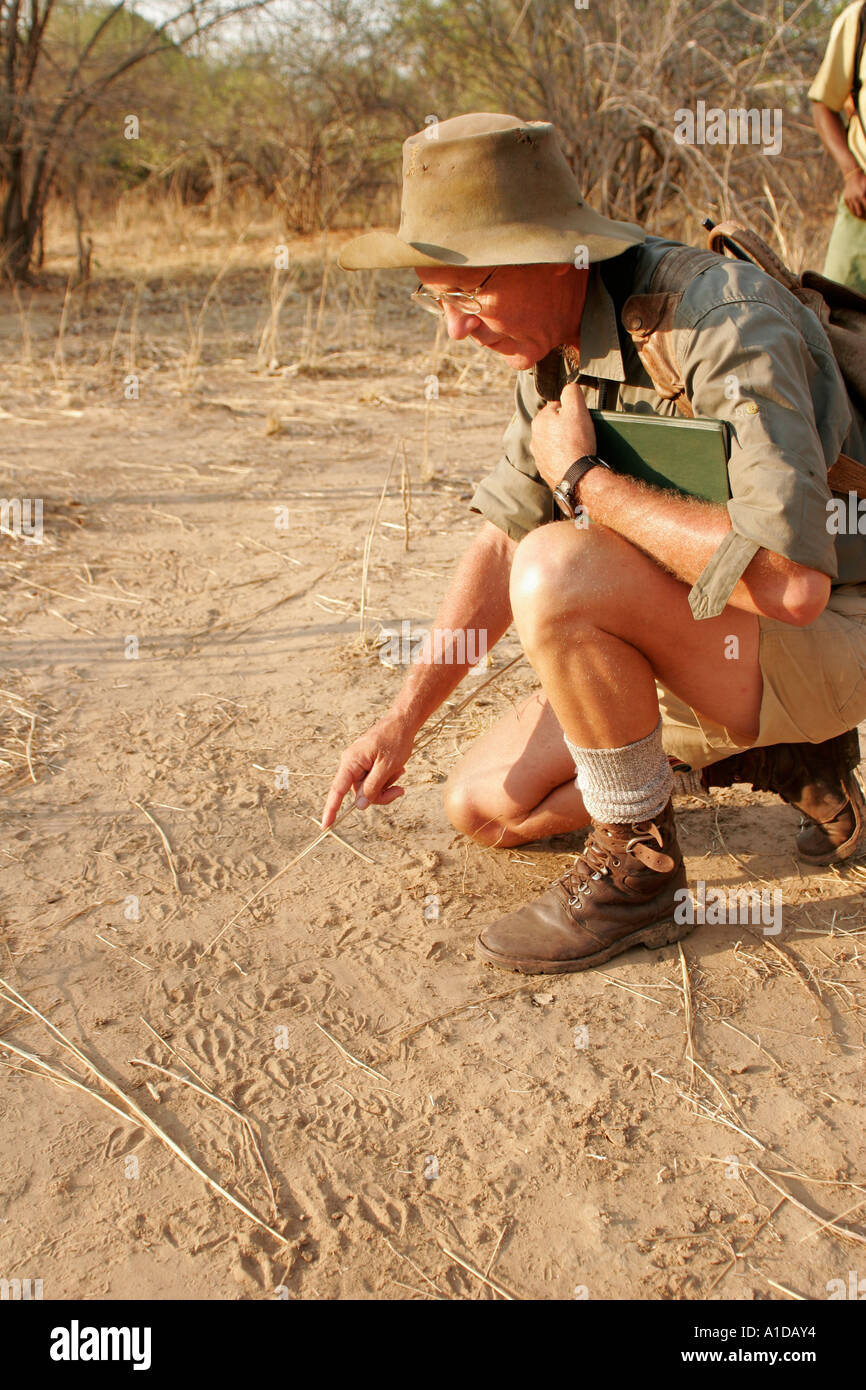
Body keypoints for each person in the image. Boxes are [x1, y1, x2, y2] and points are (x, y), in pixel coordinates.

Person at [322, 112, 866, 976]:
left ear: (555, 251)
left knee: (560, 565)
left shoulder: (718, 319)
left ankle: (641, 870)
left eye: (471, 292)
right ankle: (764, 753)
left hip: (831, 626)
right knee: (483, 808)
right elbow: (504, 541)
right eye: (436, 297)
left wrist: (589, 484)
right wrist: (400, 722)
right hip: (702, 633)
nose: (455, 329)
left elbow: (795, 583)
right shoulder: (548, 343)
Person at [811, 0, 866, 292]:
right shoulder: (858, 20)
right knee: (839, 315)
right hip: (863, 206)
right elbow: (824, 104)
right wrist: (851, 173)